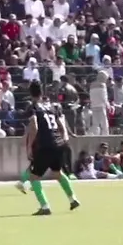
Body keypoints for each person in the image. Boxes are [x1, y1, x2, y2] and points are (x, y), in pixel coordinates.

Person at [24, 81, 80, 216]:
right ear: (42, 92)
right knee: (57, 173)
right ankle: (73, 199)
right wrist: (64, 138)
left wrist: (29, 147)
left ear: (30, 93)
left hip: (45, 145)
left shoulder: (33, 107)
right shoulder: (51, 106)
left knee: (34, 177)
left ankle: (45, 206)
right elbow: (61, 125)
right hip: (59, 144)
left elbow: (34, 126)